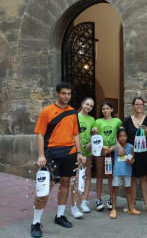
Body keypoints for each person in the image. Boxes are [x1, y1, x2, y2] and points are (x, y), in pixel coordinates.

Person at [31, 82, 86, 237]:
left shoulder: (73, 112)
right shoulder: (47, 111)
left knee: (65, 183)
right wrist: (41, 155)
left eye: (68, 94)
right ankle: (35, 222)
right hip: (51, 154)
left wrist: (79, 152)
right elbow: (40, 134)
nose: (66, 96)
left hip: (70, 153)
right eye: (63, 93)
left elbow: (76, 134)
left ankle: (60, 216)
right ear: (57, 93)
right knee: (45, 188)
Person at [118, 97, 147, 213]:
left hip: (144, 152)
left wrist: (146, 130)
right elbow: (121, 134)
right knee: (132, 177)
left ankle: (146, 203)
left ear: (143, 106)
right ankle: (132, 203)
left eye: (141, 104)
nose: (139, 106)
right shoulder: (128, 120)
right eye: (137, 104)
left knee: (144, 177)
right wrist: (119, 146)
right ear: (133, 106)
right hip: (131, 152)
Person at [70, 97, 98, 219]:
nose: (88, 107)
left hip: (88, 151)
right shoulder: (74, 116)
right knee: (76, 177)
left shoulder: (92, 119)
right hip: (76, 152)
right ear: (82, 103)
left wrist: (91, 143)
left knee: (87, 175)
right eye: (87, 104)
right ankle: (74, 205)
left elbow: (95, 135)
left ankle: (84, 201)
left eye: (91, 106)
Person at [95, 102, 122, 211]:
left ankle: (111, 198)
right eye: (103, 109)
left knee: (110, 175)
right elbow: (95, 136)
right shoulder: (98, 122)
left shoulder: (117, 121)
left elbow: (121, 135)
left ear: (111, 109)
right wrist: (101, 145)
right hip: (100, 151)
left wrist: (114, 147)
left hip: (112, 151)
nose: (105, 110)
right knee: (99, 174)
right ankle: (98, 199)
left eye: (107, 108)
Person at [109, 129, 140, 218]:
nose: (122, 138)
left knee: (128, 190)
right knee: (114, 190)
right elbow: (106, 151)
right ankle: (113, 209)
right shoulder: (115, 147)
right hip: (117, 171)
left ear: (127, 137)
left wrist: (131, 161)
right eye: (120, 136)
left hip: (127, 171)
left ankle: (130, 208)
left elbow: (133, 160)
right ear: (117, 137)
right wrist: (104, 148)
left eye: (124, 136)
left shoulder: (131, 147)